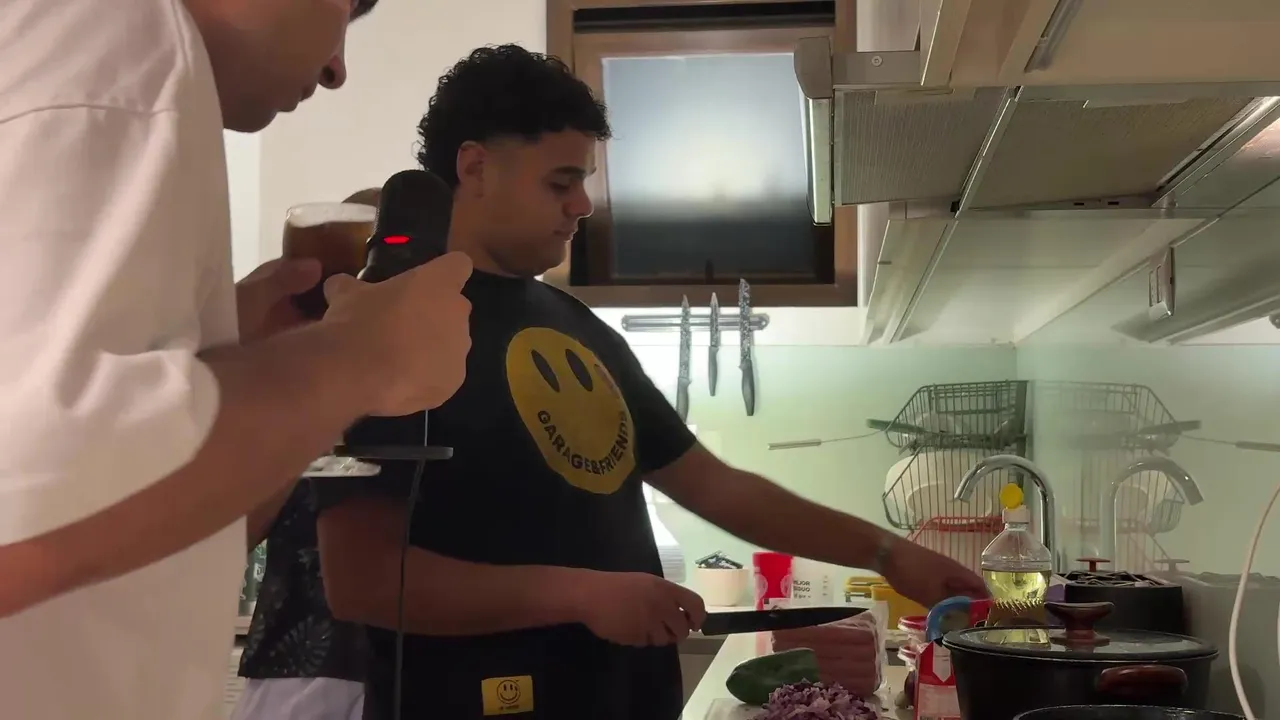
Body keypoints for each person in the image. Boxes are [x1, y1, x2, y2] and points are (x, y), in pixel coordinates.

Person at [313, 44, 988, 720]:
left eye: (584, 181)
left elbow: (715, 485)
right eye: (560, 182)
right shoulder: (392, 322)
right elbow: (363, 579)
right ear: (475, 167)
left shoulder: (578, 326)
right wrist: (583, 595)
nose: (583, 204)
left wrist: (887, 553)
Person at [0, 1, 473, 719]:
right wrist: (364, 356)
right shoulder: (124, 33)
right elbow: (29, 510)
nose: (337, 68)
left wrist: (231, 370)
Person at [234, 188, 383, 720]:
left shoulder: (462, 373)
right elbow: (230, 534)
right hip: (299, 668)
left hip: (443, 670)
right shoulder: (288, 391)